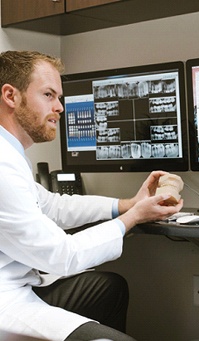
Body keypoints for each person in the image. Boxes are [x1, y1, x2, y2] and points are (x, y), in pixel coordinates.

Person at [0, 50, 183, 341]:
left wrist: (127, 204)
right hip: (7, 305)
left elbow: (52, 205)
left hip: (22, 284)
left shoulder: (9, 152)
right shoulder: (2, 165)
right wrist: (133, 218)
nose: (59, 107)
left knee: (109, 289)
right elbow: (62, 256)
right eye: (49, 95)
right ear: (11, 96)